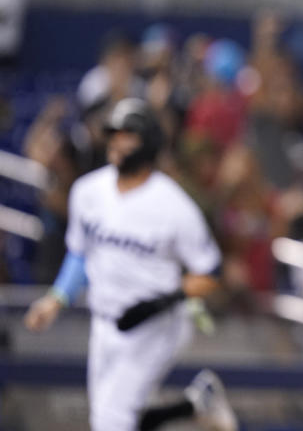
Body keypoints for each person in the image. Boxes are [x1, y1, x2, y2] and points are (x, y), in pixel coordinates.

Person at [23, 98, 237, 431]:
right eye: (114, 134)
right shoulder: (87, 192)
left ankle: (196, 403)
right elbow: (80, 253)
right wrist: (57, 298)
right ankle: (197, 403)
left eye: (128, 136)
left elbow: (210, 273)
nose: (118, 143)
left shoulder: (173, 205)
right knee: (111, 417)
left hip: (156, 324)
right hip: (105, 320)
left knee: (113, 420)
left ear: (148, 143)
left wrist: (163, 300)